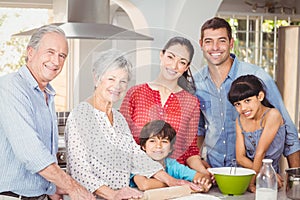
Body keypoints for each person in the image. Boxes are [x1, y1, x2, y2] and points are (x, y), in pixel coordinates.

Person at [65, 49, 203, 200]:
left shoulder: (118, 119)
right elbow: (80, 171)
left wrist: (171, 180)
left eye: (122, 81)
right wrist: (113, 194)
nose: (117, 86)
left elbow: (136, 156)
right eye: (111, 79)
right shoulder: (81, 115)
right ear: (97, 78)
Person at [0, 25, 95, 200]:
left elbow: (43, 155)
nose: (56, 61)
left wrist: (52, 188)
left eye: (62, 56)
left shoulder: (47, 93)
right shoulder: (10, 87)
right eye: (49, 52)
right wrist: (73, 188)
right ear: (30, 52)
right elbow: (31, 153)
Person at [194, 17, 300, 168]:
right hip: (215, 171)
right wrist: (197, 162)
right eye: (209, 41)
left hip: (258, 172)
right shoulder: (197, 83)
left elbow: (288, 130)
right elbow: (198, 129)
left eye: (222, 41)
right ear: (201, 44)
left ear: (231, 43)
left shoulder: (257, 76)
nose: (215, 47)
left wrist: (295, 178)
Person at [120, 36, 209, 175]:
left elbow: (191, 150)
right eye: (170, 57)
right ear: (161, 55)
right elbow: (120, 139)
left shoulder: (191, 102)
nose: (174, 66)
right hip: (138, 177)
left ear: (187, 67)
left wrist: (204, 174)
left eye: (182, 62)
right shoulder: (135, 93)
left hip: (176, 177)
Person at [228, 75, 285, 192]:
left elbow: (260, 152)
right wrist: (265, 172)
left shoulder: (273, 115)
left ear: (260, 96)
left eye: (247, 101)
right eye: (237, 104)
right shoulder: (240, 120)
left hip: (268, 179)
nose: (243, 108)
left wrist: (254, 182)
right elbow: (240, 157)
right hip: (251, 174)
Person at [130, 120, 212, 192]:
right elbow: (144, 185)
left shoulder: (172, 165)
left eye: (164, 141)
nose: (158, 146)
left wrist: (203, 182)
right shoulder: (139, 163)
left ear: (170, 148)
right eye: (152, 141)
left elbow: (201, 176)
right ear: (143, 146)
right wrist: (177, 183)